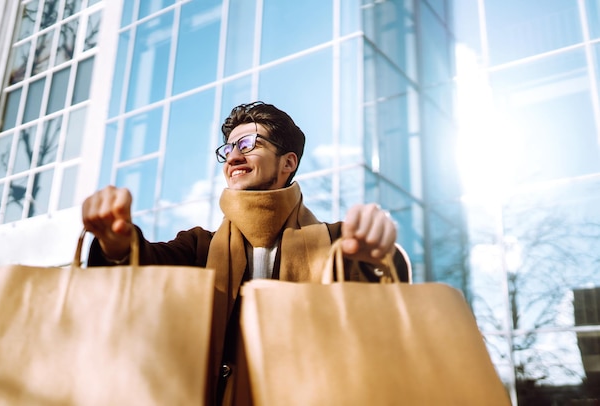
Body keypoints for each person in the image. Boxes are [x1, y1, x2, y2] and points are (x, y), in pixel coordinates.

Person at [82, 101, 410, 405]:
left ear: (288, 163)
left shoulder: (338, 243)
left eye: (249, 145)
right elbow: (140, 272)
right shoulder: (199, 247)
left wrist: (375, 259)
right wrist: (116, 244)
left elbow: (381, 313)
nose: (233, 157)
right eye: (228, 149)